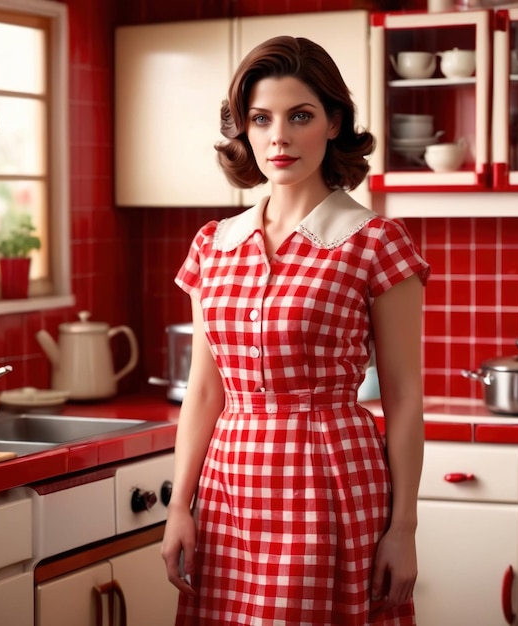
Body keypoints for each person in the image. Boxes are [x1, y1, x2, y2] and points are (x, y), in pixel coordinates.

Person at [161, 35, 430, 626]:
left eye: (299, 115)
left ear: (333, 123)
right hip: (229, 491)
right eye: (261, 119)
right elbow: (205, 392)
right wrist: (180, 505)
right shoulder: (214, 244)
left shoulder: (376, 243)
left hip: (330, 484)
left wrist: (404, 527)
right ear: (246, 131)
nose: (278, 136)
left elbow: (405, 397)